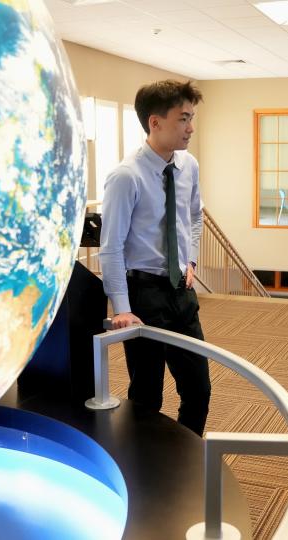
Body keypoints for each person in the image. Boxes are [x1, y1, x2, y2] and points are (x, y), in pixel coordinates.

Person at [98, 80, 210, 436]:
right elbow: (111, 246)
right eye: (183, 119)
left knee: (198, 389)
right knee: (147, 395)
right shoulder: (125, 176)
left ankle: (186, 460)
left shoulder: (188, 165)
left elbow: (195, 215)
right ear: (155, 122)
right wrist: (121, 306)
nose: (191, 128)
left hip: (181, 292)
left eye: (192, 118)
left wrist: (190, 261)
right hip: (144, 295)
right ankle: (145, 469)